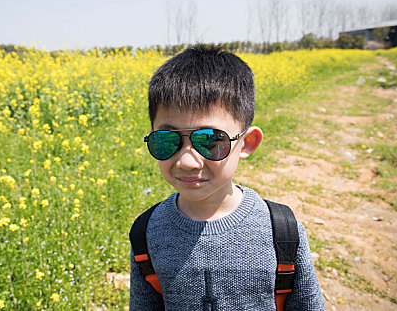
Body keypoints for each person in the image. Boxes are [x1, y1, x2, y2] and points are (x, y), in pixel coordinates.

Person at [129, 44, 325, 310]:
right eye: (167, 140)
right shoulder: (146, 233)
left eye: (210, 140)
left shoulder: (282, 232)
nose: (187, 161)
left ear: (246, 143)